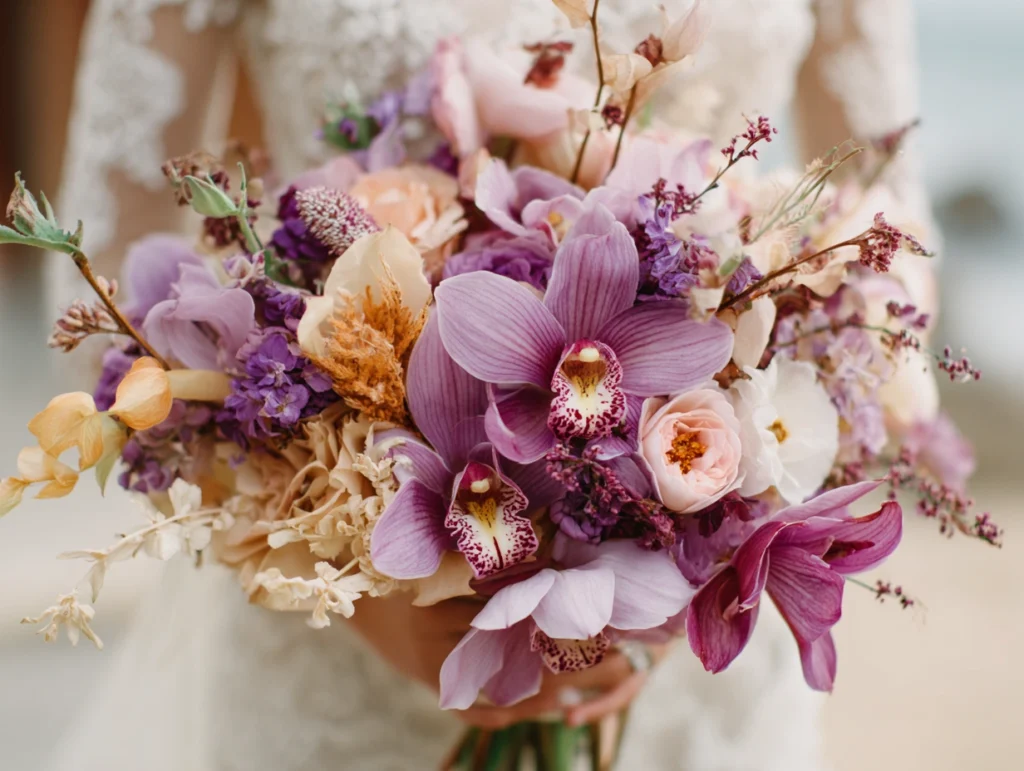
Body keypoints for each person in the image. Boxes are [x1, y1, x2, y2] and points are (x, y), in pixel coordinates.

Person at [48, 1, 928, 769]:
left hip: (696, 648)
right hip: (348, 635)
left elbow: (892, 236)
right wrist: (344, 570)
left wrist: (669, 575)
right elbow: (106, 291)